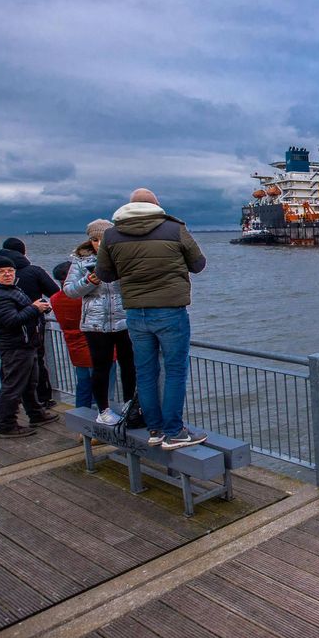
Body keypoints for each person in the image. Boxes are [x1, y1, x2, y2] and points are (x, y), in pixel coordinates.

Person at [96, 188, 207, 449]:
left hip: (135, 312)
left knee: (145, 372)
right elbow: (198, 264)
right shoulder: (174, 228)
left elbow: (105, 274)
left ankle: (155, 430)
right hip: (170, 310)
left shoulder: (111, 235)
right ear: (157, 205)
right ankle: (175, 431)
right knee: (175, 371)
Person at [0, 255, 60, 437]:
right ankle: (7, 425)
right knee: (13, 386)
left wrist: (38, 307)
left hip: (26, 343)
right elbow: (11, 320)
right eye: (1, 272)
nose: (7, 274)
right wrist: (34, 309)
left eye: (10, 271)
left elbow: (20, 312)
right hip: (15, 346)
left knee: (30, 382)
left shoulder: (9, 290)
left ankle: (36, 413)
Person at [63, 219, 136, 424]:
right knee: (101, 367)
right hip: (95, 322)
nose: (99, 243)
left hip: (124, 320)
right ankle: (103, 410)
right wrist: (89, 281)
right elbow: (69, 291)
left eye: (103, 239)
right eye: (94, 239)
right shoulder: (80, 262)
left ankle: (130, 405)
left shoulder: (124, 258)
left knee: (129, 365)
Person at [49, 261, 94, 410]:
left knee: (83, 385)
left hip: (75, 348)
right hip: (95, 345)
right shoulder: (83, 298)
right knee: (102, 388)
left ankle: (81, 420)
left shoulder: (55, 299)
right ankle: (99, 421)